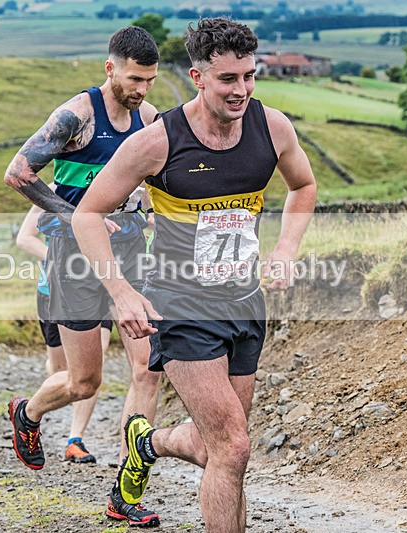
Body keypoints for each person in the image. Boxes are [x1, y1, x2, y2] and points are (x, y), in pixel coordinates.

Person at [72, 18, 317, 533]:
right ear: (198, 77)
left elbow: (304, 185)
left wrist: (287, 248)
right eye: (228, 79)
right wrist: (122, 293)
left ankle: (148, 441)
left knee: (219, 450)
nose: (242, 90)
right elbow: (86, 214)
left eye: (250, 76)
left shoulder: (272, 128)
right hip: (181, 305)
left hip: (245, 302)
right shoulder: (158, 141)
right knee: (234, 446)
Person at [3, 26, 162, 527]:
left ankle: (126, 489)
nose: (141, 90)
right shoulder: (76, 115)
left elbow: (154, 177)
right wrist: (77, 217)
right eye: (135, 79)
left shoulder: (149, 117)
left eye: (150, 81)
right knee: (84, 381)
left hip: (130, 252)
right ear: (110, 68)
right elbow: (18, 173)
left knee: (147, 367)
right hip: (73, 257)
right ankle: (28, 413)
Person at [16, 201, 114, 464]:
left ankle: (75, 439)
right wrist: (65, 260)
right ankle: (31, 415)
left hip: (99, 288)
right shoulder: (52, 190)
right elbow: (25, 238)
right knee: (62, 370)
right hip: (52, 290)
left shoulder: (111, 188)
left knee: (94, 360)